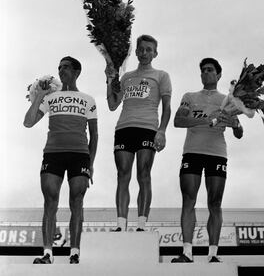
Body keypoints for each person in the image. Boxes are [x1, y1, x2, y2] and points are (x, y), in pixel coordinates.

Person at [171, 58, 251, 263]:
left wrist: (235, 124)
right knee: (188, 200)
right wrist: (207, 120)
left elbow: (239, 133)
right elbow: (178, 121)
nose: (205, 73)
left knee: (215, 203)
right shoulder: (189, 96)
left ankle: (213, 255)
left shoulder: (229, 101)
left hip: (216, 153)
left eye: (210, 70)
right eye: (203, 70)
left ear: (218, 75)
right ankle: (187, 253)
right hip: (192, 152)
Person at [24, 56, 98, 264]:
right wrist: (39, 95)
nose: (61, 70)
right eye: (59, 67)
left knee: (77, 201)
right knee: (50, 201)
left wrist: (90, 163)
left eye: (66, 67)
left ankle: (74, 253)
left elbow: (95, 135)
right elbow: (28, 123)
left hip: (79, 154)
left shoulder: (88, 99)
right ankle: (48, 253)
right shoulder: (50, 97)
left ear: (77, 72)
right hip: (53, 153)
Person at [106, 35, 171, 231]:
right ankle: (121, 224)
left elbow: (167, 107)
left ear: (155, 53)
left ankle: (142, 225)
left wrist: (162, 131)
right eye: (141, 49)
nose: (144, 53)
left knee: (143, 174)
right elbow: (112, 104)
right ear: (135, 52)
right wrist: (110, 79)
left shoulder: (161, 76)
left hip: (148, 128)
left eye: (149, 50)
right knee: (122, 174)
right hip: (124, 128)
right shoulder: (126, 77)